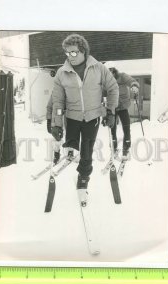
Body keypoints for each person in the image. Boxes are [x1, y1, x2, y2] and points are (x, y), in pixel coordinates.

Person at [50, 33, 119, 190]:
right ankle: (69, 151)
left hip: (92, 117)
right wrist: (57, 123)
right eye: (67, 53)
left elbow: (113, 88)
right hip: (72, 117)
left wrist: (111, 112)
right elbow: (58, 101)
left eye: (74, 52)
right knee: (72, 145)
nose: (70, 56)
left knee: (87, 151)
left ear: (83, 51)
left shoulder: (99, 68)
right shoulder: (61, 73)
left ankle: (83, 177)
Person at [106, 65, 140, 158]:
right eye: (107, 72)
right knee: (112, 129)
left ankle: (126, 149)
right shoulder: (105, 80)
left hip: (123, 107)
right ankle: (114, 148)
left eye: (111, 71)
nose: (109, 74)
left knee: (126, 128)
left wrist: (134, 86)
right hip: (112, 108)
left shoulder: (122, 76)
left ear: (114, 71)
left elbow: (131, 81)